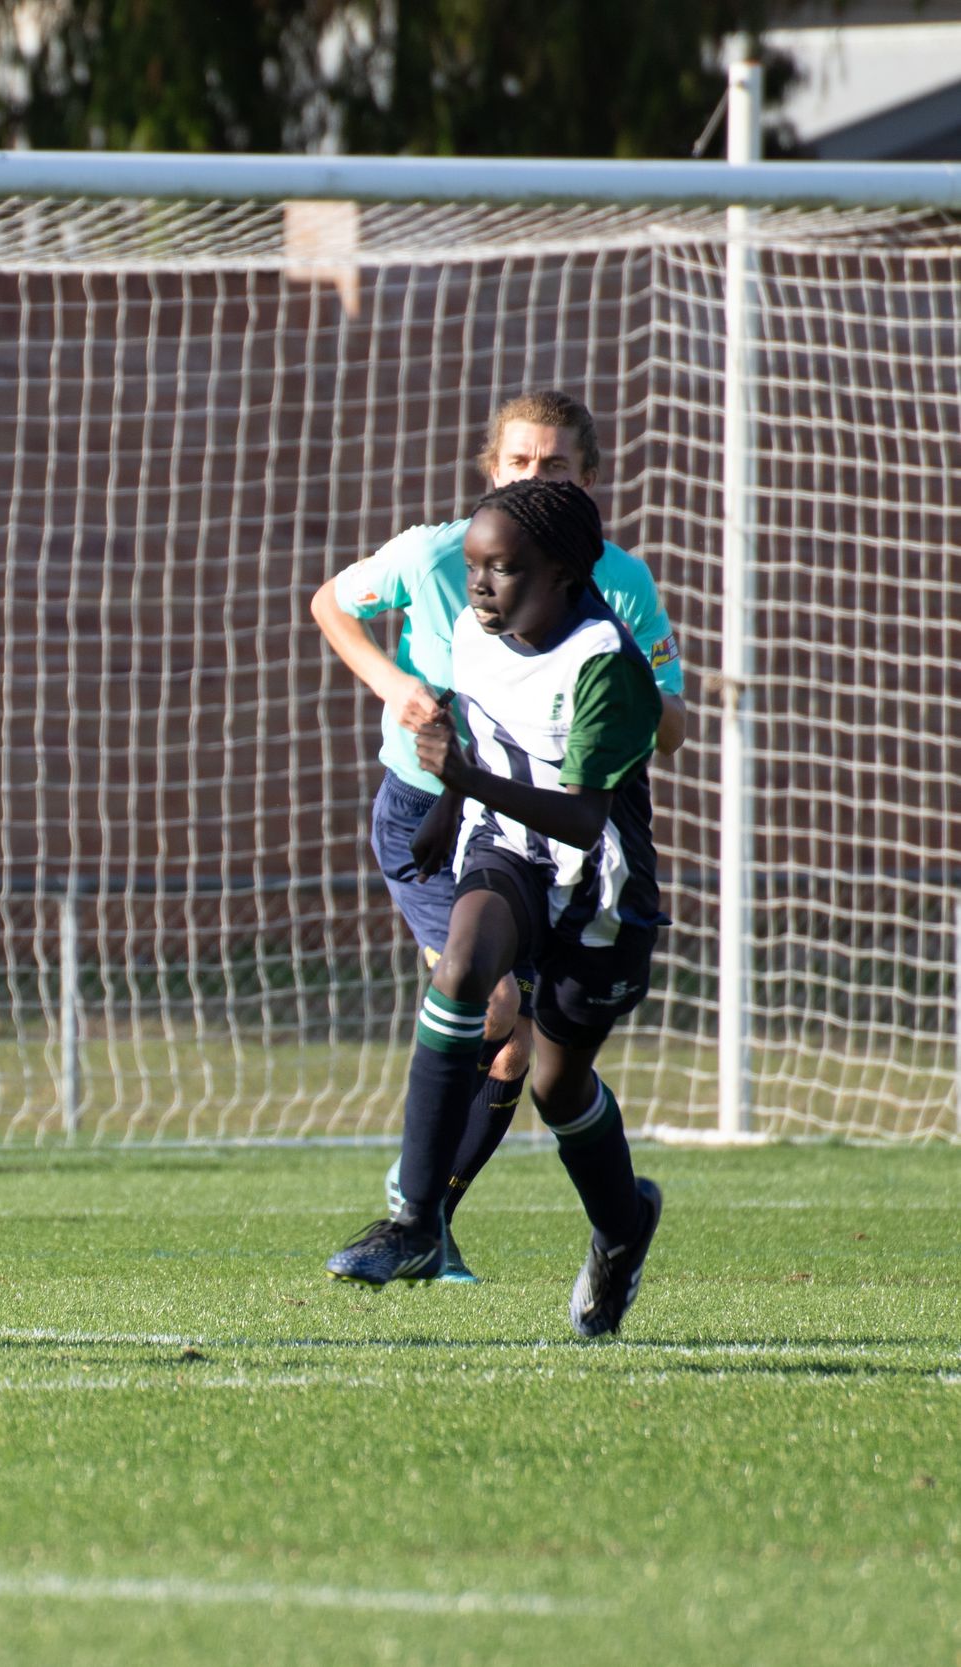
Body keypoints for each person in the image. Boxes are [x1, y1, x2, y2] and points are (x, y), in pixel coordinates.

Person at [309, 391, 685, 1280]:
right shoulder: (443, 564)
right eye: (518, 462)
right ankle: (416, 1220)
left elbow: (658, 735)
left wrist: (620, 710)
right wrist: (402, 698)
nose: (533, 477)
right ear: (490, 470)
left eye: (555, 465)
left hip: (580, 856)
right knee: (485, 993)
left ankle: (609, 1226)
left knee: (542, 1068)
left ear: (589, 481)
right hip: (455, 815)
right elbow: (333, 605)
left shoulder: (611, 612)